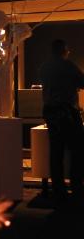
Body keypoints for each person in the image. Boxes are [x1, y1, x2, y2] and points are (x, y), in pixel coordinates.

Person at [39, 39, 84, 203]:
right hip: (67, 112)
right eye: (67, 50)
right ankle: (76, 187)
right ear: (64, 51)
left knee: (56, 152)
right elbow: (82, 82)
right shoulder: (68, 66)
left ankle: (59, 190)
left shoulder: (44, 67)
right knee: (77, 150)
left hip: (50, 112)